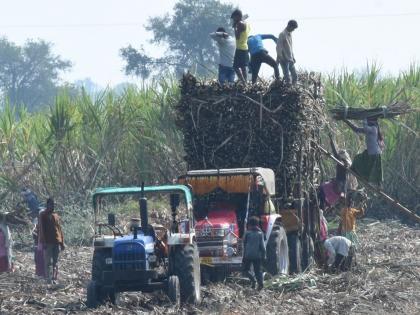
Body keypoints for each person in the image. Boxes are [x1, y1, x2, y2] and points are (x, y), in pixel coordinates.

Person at [344, 117, 384, 186]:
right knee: (358, 158)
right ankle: (354, 171)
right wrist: (346, 120)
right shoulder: (369, 129)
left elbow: (365, 128)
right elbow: (356, 129)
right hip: (370, 152)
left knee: (374, 170)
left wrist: (364, 119)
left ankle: (378, 185)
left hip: (374, 153)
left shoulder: (374, 128)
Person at [38, 198, 65, 283]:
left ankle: (54, 278)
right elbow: (41, 229)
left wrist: (62, 243)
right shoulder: (43, 215)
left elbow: (59, 229)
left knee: (55, 262)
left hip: (56, 242)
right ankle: (48, 279)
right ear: (47, 205)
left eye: (53, 205)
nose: (52, 206)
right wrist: (44, 242)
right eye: (50, 204)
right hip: (48, 242)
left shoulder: (56, 215)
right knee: (48, 262)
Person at [242, 216, 266, 290]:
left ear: (250, 224)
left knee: (245, 270)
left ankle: (253, 280)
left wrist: (243, 256)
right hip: (257, 256)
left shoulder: (247, 233)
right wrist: (264, 256)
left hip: (248, 255)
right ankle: (261, 285)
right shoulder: (260, 234)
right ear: (257, 224)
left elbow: (244, 244)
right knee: (258, 271)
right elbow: (263, 247)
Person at [231, 9, 251, 82]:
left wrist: (234, 28)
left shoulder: (239, 24)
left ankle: (243, 82)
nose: (233, 19)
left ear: (237, 16)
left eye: (234, 18)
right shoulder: (246, 24)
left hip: (239, 48)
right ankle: (245, 82)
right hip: (245, 47)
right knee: (243, 67)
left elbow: (237, 37)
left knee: (235, 67)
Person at [276, 20, 298, 85]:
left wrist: (293, 57)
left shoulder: (290, 34)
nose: (293, 30)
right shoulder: (282, 34)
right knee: (287, 78)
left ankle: (293, 89)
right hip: (284, 60)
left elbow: (290, 47)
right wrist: (281, 57)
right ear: (289, 25)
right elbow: (278, 47)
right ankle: (288, 90)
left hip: (290, 59)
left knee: (295, 76)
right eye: (293, 28)